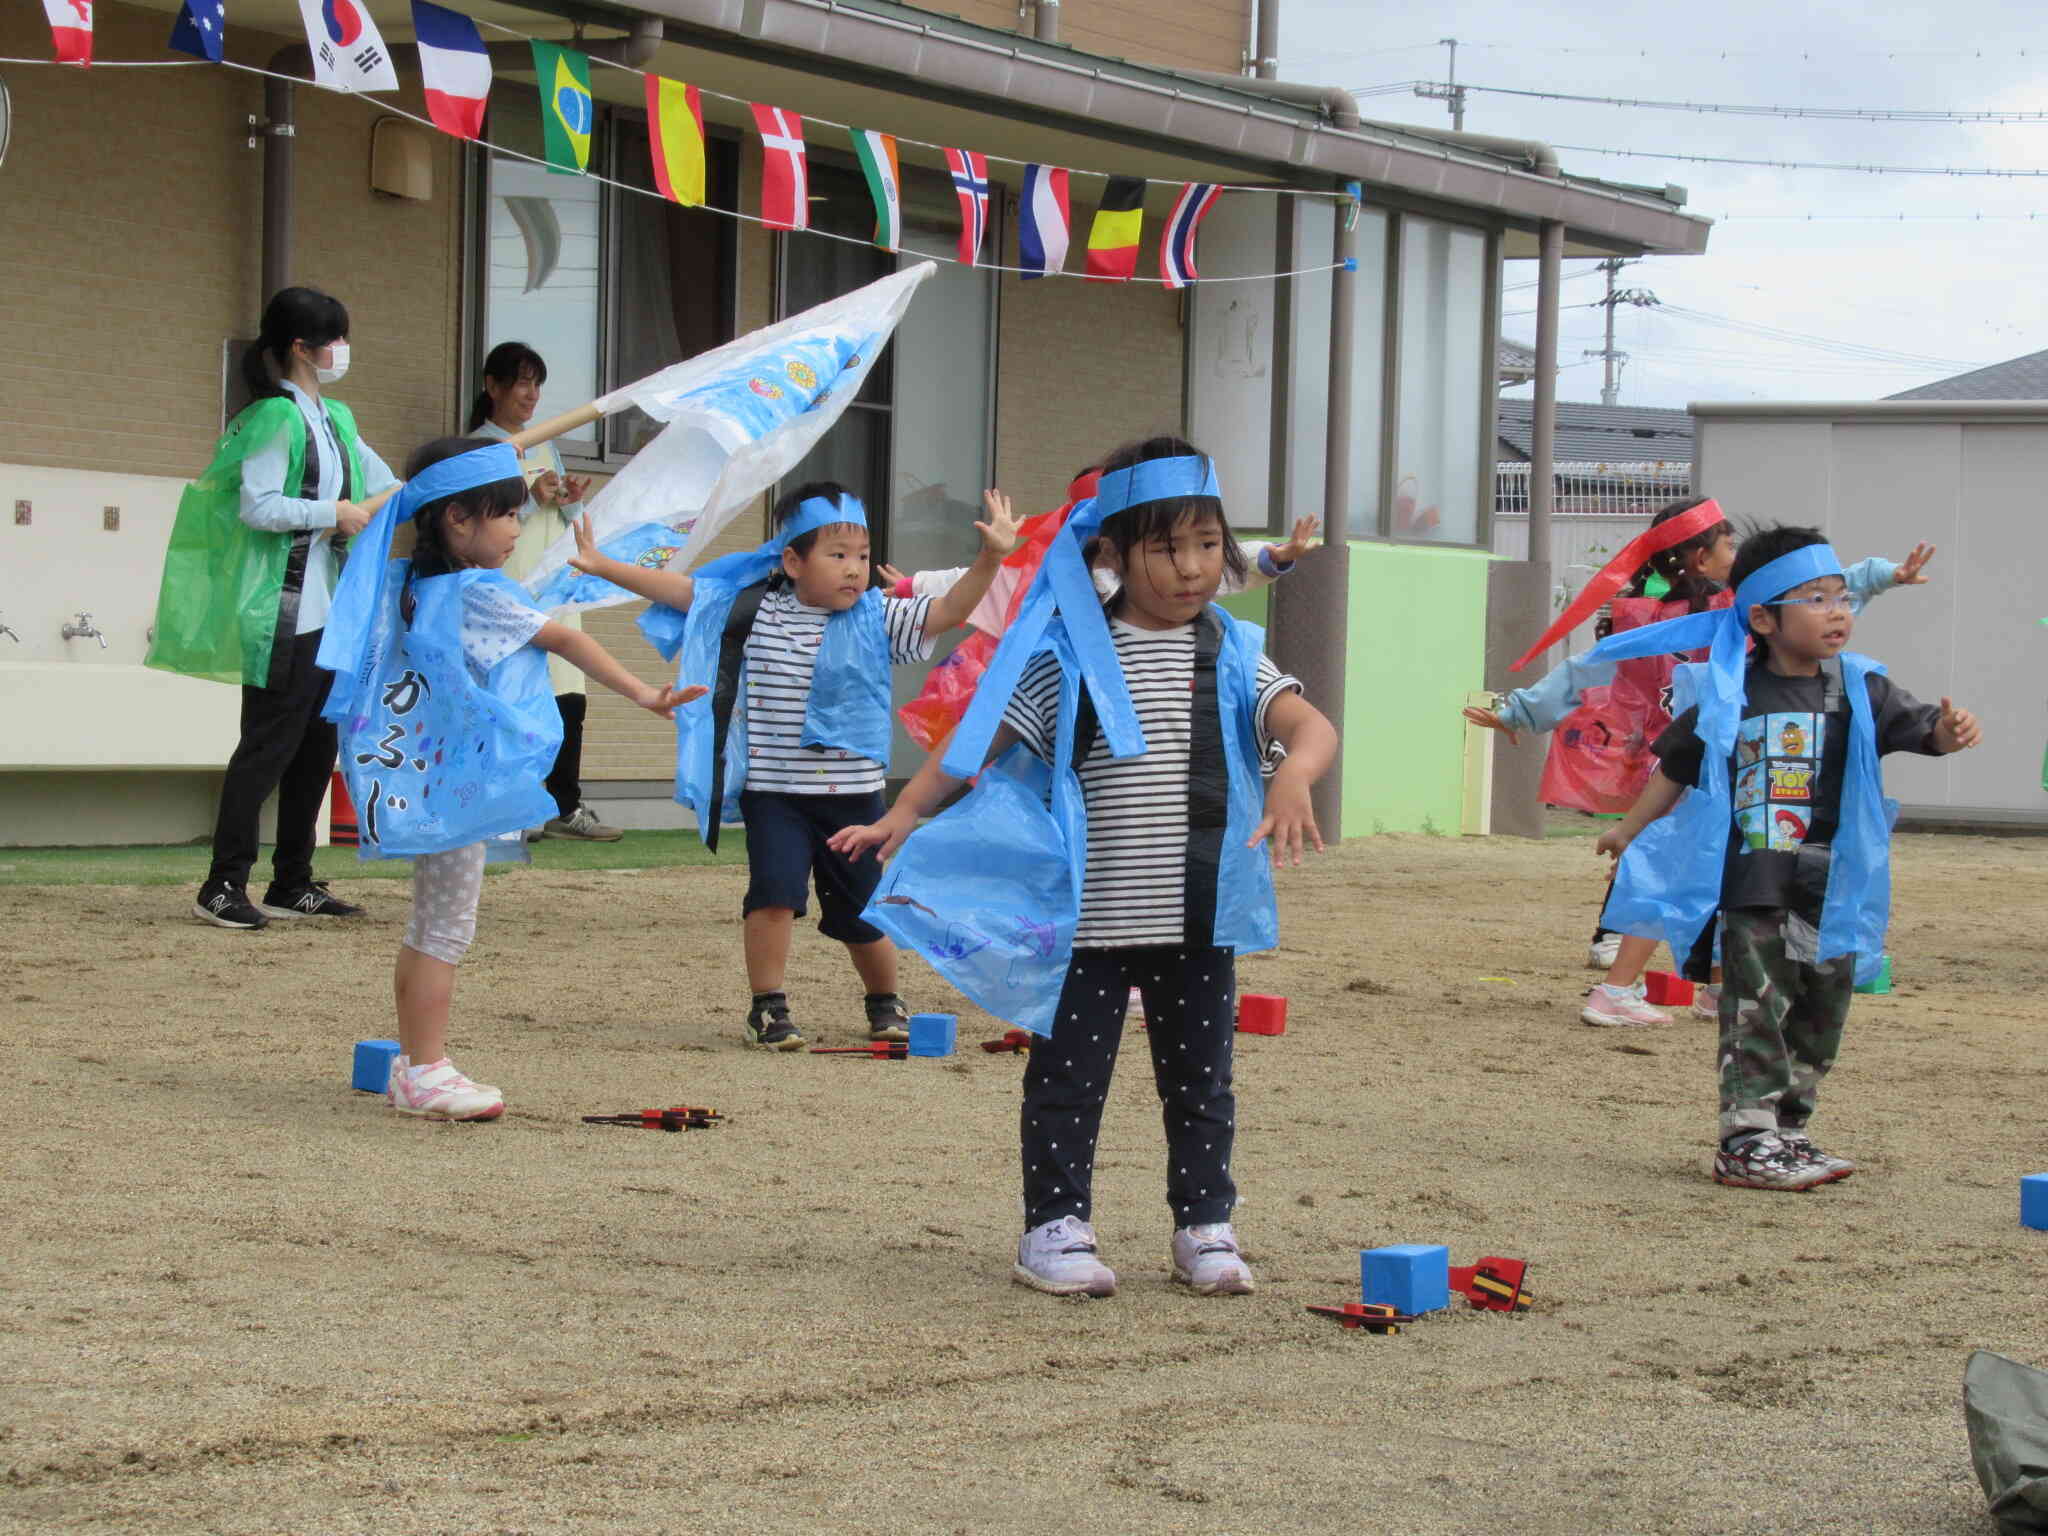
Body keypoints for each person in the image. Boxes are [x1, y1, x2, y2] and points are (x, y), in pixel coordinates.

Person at [829, 436, 1338, 1299]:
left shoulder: (1233, 649)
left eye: (1207, 545)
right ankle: (1054, 1228)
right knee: (1068, 1080)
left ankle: (1204, 1224)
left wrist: (1292, 774)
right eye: (1165, 547)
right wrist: (905, 813)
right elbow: (978, 736)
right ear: (1109, 553)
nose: (1190, 568)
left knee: (1203, 1084)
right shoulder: (1067, 654)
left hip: (1197, 916)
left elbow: (1309, 725)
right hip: (1088, 925)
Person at [1589, 524, 1980, 1189]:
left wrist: (1948, 731)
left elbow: (1922, 731)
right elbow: (1676, 768)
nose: (1837, 613)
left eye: (1842, 599)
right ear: (1763, 617)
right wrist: (1627, 831)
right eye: (1818, 600)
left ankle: (1790, 1130)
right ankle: (1745, 1137)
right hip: (1753, 884)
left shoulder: (1860, 689)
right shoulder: (1730, 693)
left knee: (1822, 1009)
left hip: (1832, 884)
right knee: (1755, 1006)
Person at [565, 481, 1022, 1050]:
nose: (855, 570)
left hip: (855, 798)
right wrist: (601, 565)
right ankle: (769, 1007)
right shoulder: (758, 611)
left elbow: (952, 610)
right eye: (837, 556)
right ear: (792, 561)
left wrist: (992, 557)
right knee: (773, 895)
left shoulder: (879, 617)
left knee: (864, 911)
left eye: (860, 555)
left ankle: (884, 1001)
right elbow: (683, 591)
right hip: (775, 793)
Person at [318, 437, 698, 1120]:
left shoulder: (409, 580)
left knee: (429, 922)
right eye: (508, 516)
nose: (517, 531)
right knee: (445, 928)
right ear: (458, 520)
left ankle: (414, 1062)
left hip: (427, 777)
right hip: (459, 788)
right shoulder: (477, 590)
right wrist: (643, 693)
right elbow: (567, 640)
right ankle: (427, 1069)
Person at [1461, 497, 1934, 1028]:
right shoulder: (1730, 615)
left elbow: (1587, 666)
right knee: (1672, 871)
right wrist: (1877, 577)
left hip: (1706, 764)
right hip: (1694, 766)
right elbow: (1595, 666)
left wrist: (1523, 712)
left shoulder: (1707, 610)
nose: (1736, 552)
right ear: (1698, 560)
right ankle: (1617, 987)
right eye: (1726, 544)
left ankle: (1715, 987)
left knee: (1714, 874)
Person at [148, 286, 401, 930]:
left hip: (332, 610)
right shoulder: (274, 419)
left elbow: (388, 484)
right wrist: (333, 513)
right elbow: (257, 505)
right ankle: (223, 882)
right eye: (334, 338)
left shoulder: (336, 419)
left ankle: (293, 879)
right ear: (300, 347)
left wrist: (465, 469)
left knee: (316, 747)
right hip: (282, 611)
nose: (343, 349)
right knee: (266, 747)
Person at [468, 341, 618, 843]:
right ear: (492, 386)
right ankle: (512, 805)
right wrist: (529, 501)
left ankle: (563, 804)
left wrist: (572, 503)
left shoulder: (545, 444)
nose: (531, 394)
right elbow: (478, 525)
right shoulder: (480, 449)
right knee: (511, 696)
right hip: (508, 589)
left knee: (567, 696)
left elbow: (562, 519)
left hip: (554, 586)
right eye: (521, 381)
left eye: (537, 383)